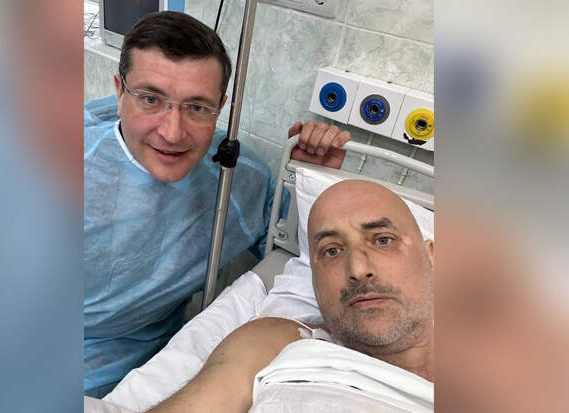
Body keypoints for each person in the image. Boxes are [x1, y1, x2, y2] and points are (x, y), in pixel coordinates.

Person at [84, 11, 351, 397]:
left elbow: (302, 253)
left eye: (197, 107)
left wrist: (313, 182)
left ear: (221, 106)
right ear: (119, 91)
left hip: (145, 372)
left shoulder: (237, 179)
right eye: (150, 99)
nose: (172, 132)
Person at [145, 180, 435, 412]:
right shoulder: (273, 343)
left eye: (383, 240)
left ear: (432, 256)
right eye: (332, 251)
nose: (358, 269)